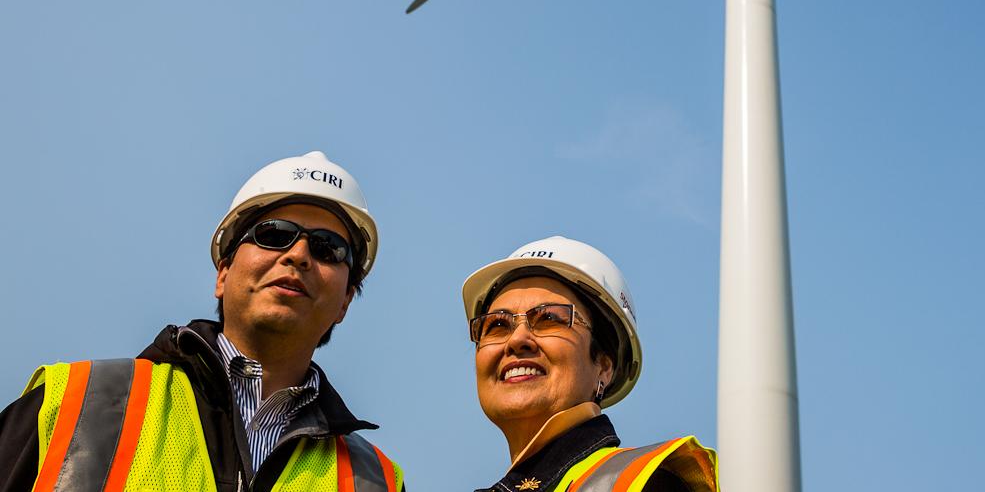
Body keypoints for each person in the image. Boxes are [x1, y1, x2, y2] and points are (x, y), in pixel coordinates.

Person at [0, 150, 404, 492]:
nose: (298, 254)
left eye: (327, 247)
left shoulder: (376, 480)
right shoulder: (75, 403)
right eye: (274, 233)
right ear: (223, 272)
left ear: (345, 301)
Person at [463, 236, 717, 492]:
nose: (517, 339)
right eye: (497, 325)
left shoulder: (645, 483)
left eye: (549, 318)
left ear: (604, 366)